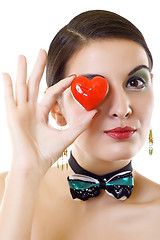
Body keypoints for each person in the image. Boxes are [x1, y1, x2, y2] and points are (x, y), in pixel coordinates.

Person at [0, 9, 160, 240]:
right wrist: (25, 173)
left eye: (135, 82)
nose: (122, 108)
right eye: (96, 87)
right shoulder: (7, 191)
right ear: (57, 108)